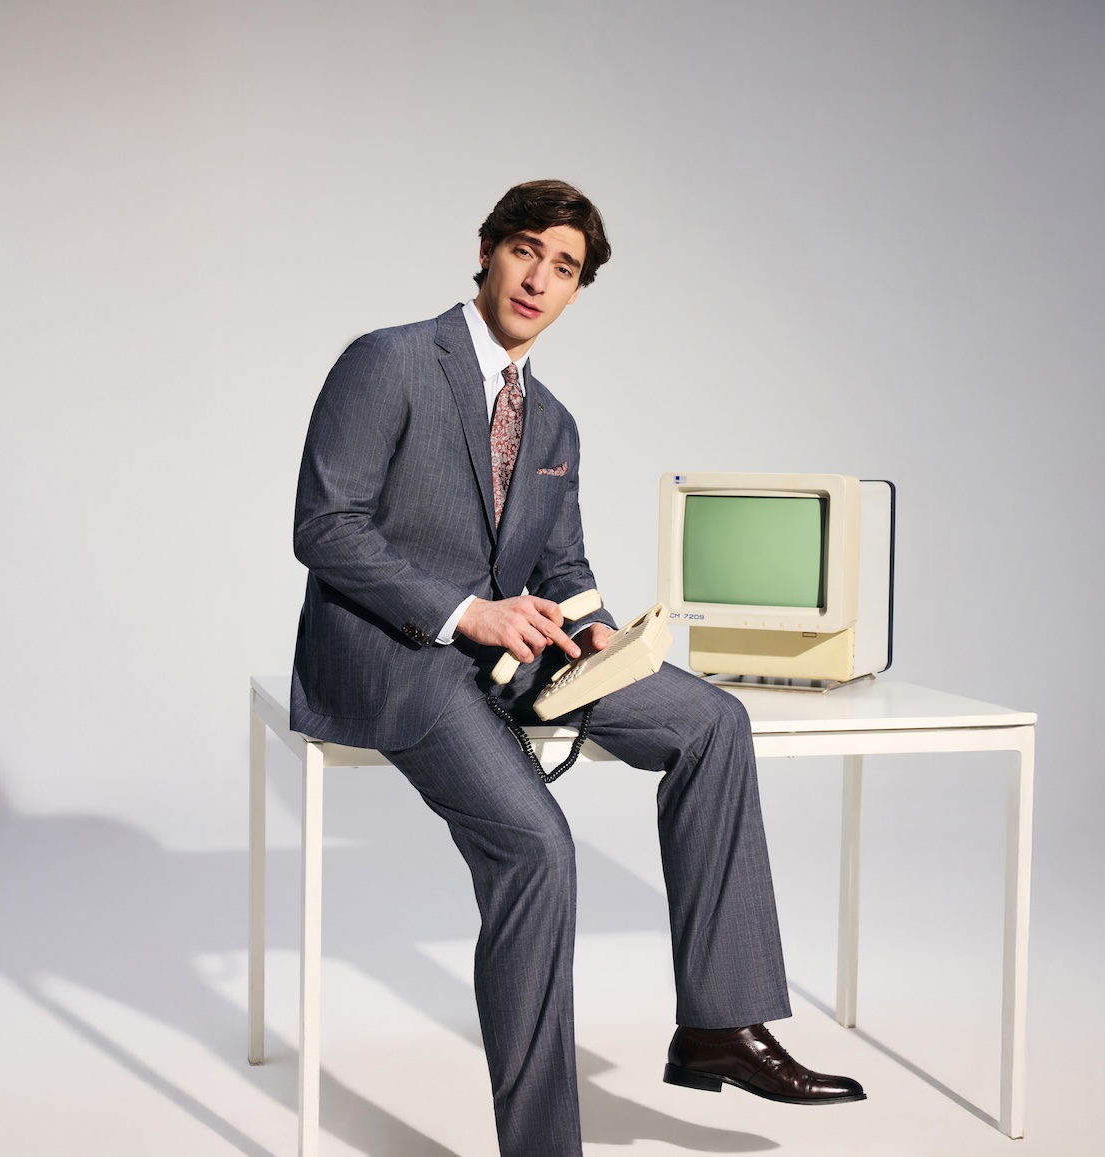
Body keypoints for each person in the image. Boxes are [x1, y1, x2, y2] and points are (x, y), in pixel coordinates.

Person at [291, 179, 864, 1156]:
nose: (538, 278)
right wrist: (468, 612)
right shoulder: (388, 360)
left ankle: (719, 1024)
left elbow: (564, 568)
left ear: (575, 291)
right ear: (487, 250)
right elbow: (325, 527)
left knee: (714, 723)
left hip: (520, 652)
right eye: (526, 250)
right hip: (398, 656)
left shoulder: (553, 422)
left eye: (563, 268)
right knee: (539, 850)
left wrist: (598, 629)